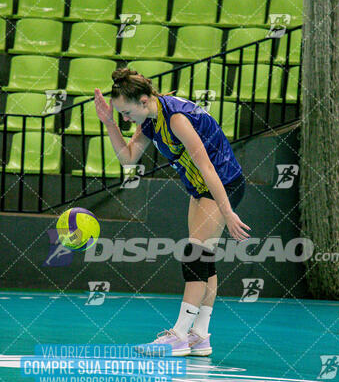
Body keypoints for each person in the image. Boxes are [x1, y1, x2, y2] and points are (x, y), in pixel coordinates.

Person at [94, 68, 250, 356]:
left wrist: (227, 212)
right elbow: (127, 158)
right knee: (205, 257)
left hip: (222, 183)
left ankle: (179, 335)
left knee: (195, 255)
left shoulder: (176, 119)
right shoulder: (151, 121)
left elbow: (206, 166)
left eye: (126, 113)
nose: (125, 119)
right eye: (120, 115)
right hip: (199, 189)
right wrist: (108, 123)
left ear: (143, 101)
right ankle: (200, 335)